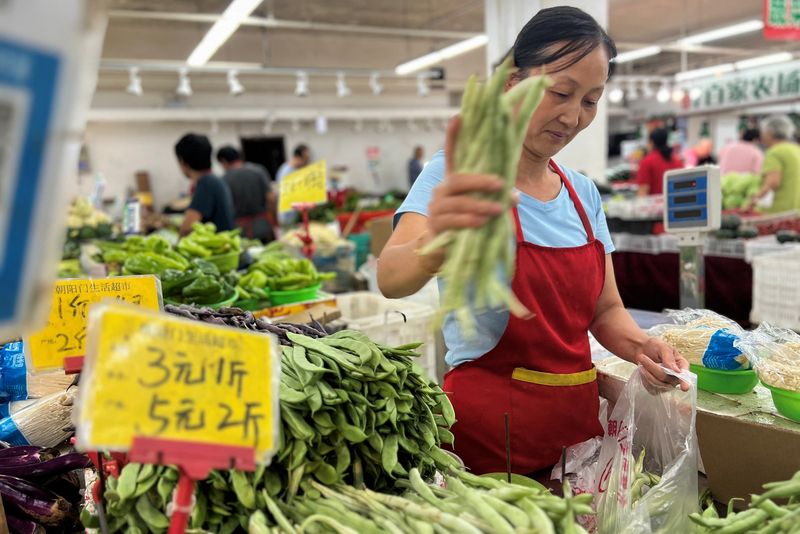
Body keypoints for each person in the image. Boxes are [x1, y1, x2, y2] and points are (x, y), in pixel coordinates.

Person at [377, 6, 688, 477]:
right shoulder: (458, 172)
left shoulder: (584, 195)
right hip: (488, 439)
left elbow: (605, 311)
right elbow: (391, 276)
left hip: (576, 435)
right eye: (560, 92)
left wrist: (645, 348)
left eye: (590, 100)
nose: (573, 116)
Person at [174, 133, 235, 235]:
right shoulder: (215, 180)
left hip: (217, 247)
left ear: (182, 162)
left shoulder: (206, 183)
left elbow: (187, 229)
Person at [216, 146, 276, 242]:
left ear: (223, 161)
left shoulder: (224, 180)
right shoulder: (258, 171)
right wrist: (274, 221)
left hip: (240, 231)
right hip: (264, 226)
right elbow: (271, 198)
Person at [747, 115, 800, 213]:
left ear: (769, 133)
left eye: (763, 132)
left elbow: (773, 182)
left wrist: (754, 200)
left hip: (780, 212)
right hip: (796, 210)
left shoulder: (775, 152)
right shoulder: (796, 149)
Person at [636, 128, 682, 196]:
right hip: (674, 204)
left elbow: (643, 191)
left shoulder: (646, 162)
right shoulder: (677, 161)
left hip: (653, 205)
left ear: (652, 142)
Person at [276, 144, 312, 226]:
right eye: (306, 159)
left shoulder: (296, 171)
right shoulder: (286, 172)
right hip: (287, 217)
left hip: (294, 216)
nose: (307, 162)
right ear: (299, 157)